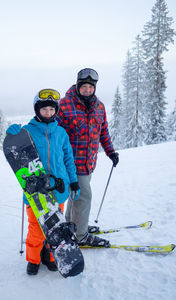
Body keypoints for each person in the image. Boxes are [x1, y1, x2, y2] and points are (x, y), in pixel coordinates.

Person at [6, 89, 80, 275]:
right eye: (44, 109)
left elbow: (68, 159)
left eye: (51, 109)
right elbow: (15, 155)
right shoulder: (27, 132)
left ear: (56, 110)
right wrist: (12, 136)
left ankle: (51, 256)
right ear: (37, 110)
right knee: (36, 229)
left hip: (58, 189)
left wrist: (74, 181)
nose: (48, 113)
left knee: (56, 228)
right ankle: (33, 258)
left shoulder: (61, 133)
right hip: (35, 191)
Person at [57, 68, 119, 247]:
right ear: (77, 86)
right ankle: (81, 236)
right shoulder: (65, 105)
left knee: (76, 196)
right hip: (70, 163)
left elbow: (103, 131)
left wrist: (111, 152)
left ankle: (72, 225)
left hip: (88, 163)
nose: (87, 90)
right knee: (84, 197)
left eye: (91, 87)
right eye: (84, 86)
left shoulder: (99, 106)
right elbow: (54, 133)